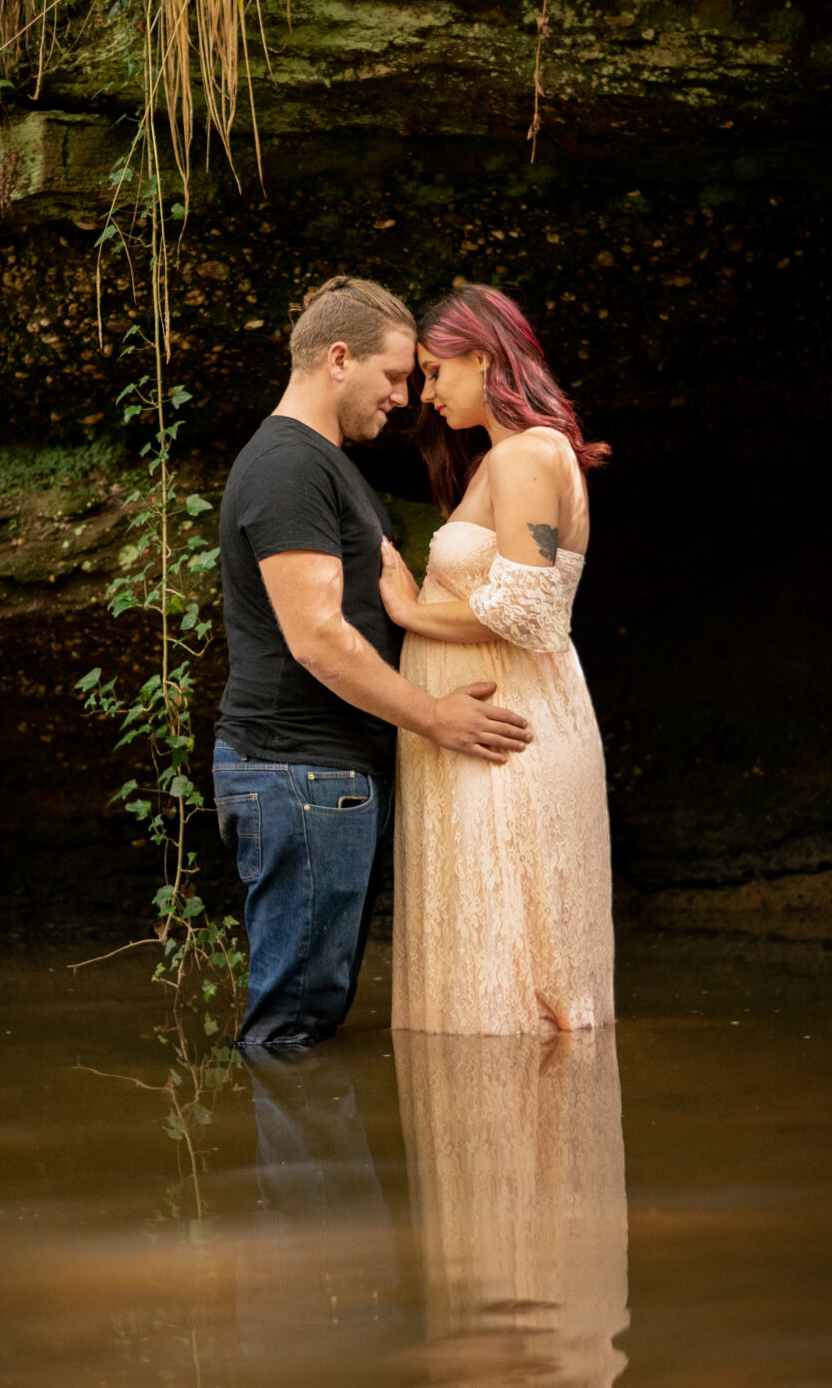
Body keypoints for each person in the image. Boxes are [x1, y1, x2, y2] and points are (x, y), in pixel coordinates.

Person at [214, 276, 535, 1049]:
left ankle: (308, 1165)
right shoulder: (289, 466)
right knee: (293, 1027)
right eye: (393, 376)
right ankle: (288, 1164)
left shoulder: (323, 464)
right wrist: (435, 719)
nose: (405, 397)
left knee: (312, 1016)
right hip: (299, 772)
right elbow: (317, 636)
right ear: (337, 359)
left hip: (320, 779)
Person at [379, 284, 615, 1035]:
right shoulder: (502, 459)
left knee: (513, 964)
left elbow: (532, 607)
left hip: (510, 734)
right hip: (486, 733)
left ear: (482, 357)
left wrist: (412, 610)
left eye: (434, 371)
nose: (426, 392)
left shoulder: (528, 455)